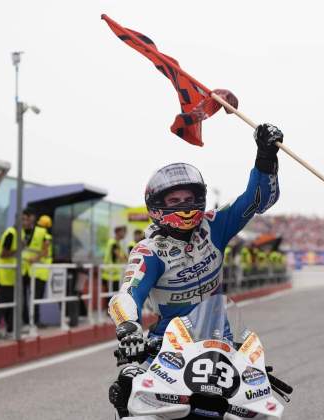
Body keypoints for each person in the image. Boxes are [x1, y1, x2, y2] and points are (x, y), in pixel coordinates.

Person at [106, 123, 282, 416]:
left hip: (220, 343)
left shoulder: (215, 226)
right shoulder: (148, 251)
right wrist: (128, 330)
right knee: (128, 390)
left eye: (189, 198)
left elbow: (257, 200)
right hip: (166, 347)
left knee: (254, 407)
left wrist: (265, 156)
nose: (184, 206)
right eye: (174, 201)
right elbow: (127, 295)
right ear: (156, 206)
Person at [101, 226, 127, 293]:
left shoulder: (116, 243)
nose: (125, 233)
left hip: (113, 274)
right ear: (118, 232)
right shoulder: (113, 243)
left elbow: (124, 257)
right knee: (111, 296)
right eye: (123, 231)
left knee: (112, 295)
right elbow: (120, 257)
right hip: (110, 274)